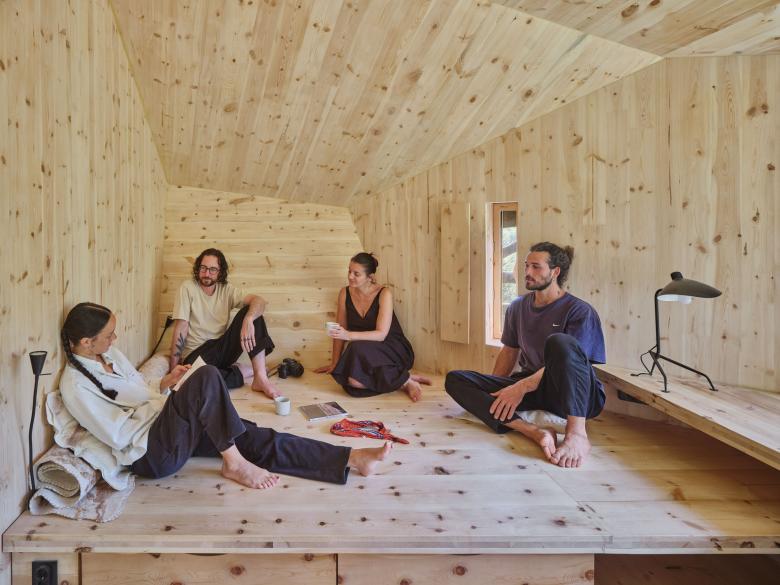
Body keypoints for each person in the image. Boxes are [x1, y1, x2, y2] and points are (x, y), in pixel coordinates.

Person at [59, 302, 393, 489]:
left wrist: (165, 385)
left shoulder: (110, 355)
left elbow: (138, 391)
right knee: (207, 376)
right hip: (152, 451)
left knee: (254, 436)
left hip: (168, 425)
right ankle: (233, 463)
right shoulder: (75, 385)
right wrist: (174, 405)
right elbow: (118, 433)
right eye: (108, 335)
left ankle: (350, 459)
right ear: (86, 342)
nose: (115, 339)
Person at [445, 242, 606, 468]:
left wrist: (520, 388)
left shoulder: (580, 311)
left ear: (555, 272)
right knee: (455, 379)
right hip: (534, 387)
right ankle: (534, 431)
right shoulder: (517, 306)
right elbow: (509, 351)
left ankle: (577, 435)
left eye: (536, 267)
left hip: (574, 393)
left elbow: (576, 365)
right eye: (526, 266)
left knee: (559, 343)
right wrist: (497, 392)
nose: (528, 272)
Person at [314, 253, 430, 401]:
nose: (350, 276)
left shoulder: (384, 293)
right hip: (365, 351)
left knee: (355, 347)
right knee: (353, 383)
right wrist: (335, 363)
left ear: (370, 277)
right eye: (349, 271)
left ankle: (405, 382)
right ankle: (402, 379)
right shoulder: (344, 293)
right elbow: (339, 330)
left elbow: (381, 334)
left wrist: (348, 335)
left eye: (356, 274)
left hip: (392, 348)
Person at [169, 248, 278, 398]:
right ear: (198, 268)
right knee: (196, 382)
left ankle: (260, 378)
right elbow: (181, 328)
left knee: (253, 312)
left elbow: (259, 301)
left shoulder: (226, 290)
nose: (207, 273)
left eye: (212, 269)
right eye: (203, 268)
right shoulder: (187, 288)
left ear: (220, 272)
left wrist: (248, 319)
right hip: (197, 354)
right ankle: (240, 372)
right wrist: (172, 372)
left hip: (220, 349)